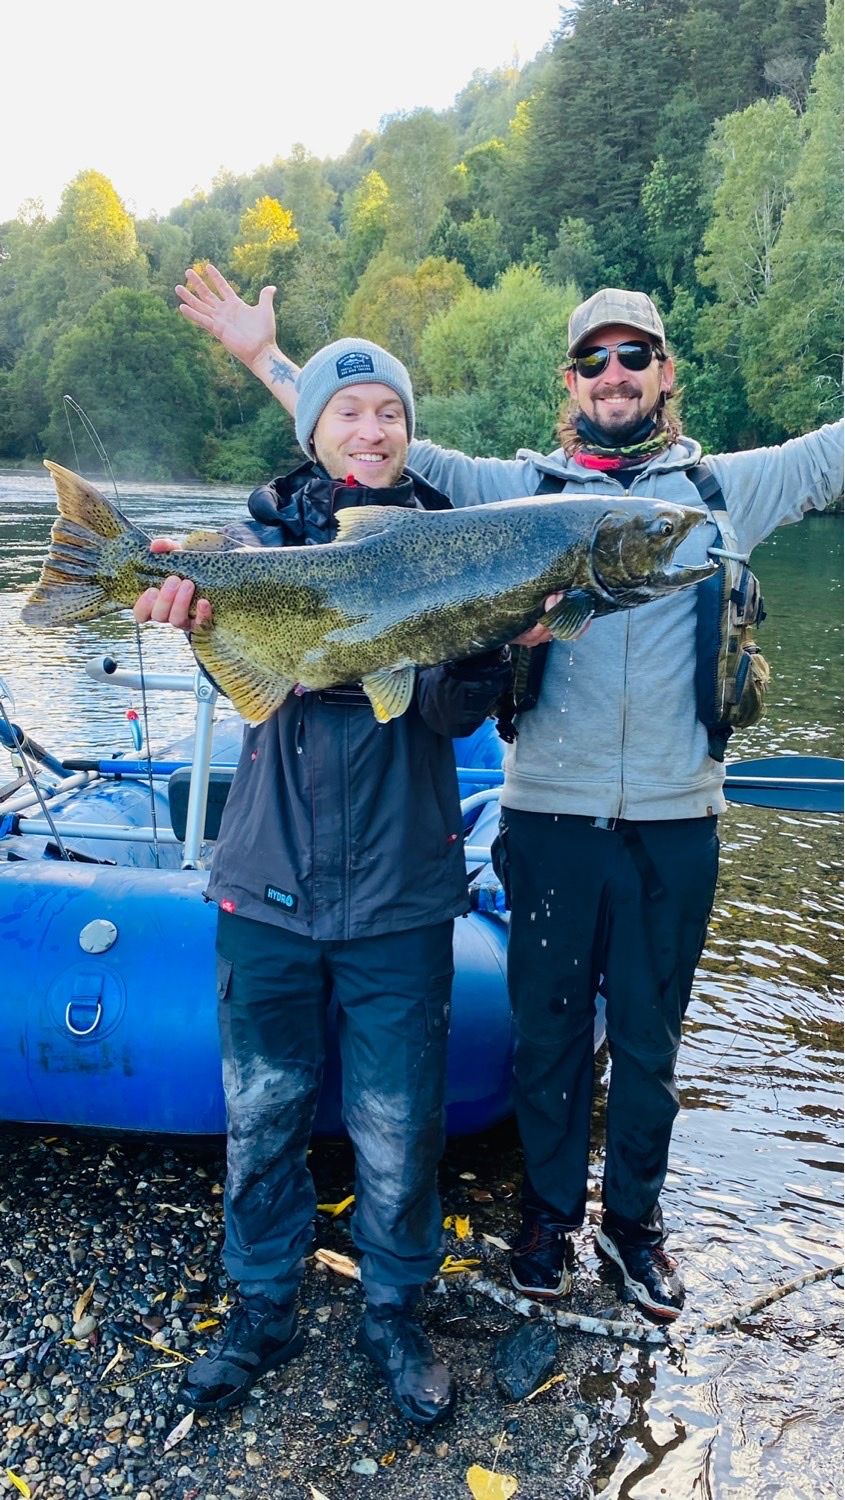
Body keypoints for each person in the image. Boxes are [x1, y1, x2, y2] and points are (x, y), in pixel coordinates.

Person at [174, 269, 844, 1321]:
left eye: (633, 356)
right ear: (569, 381)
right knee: (543, 1037)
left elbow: (827, 452)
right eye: (593, 359)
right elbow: (368, 438)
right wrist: (264, 356)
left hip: (679, 819)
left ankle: (633, 1229)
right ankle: (543, 1218)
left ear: (663, 374)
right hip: (545, 813)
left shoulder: (725, 493)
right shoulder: (514, 489)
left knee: (651, 1045)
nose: (614, 374)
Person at [134, 336, 511, 1422]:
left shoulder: (456, 544)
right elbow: (234, 642)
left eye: (387, 410)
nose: (370, 428)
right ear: (312, 431)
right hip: (266, 881)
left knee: (400, 1122)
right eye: (345, 411)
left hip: (402, 887)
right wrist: (174, 598)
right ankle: (261, 1305)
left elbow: (445, 712)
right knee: (260, 1115)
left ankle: (393, 1309)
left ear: (407, 427)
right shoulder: (254, 541)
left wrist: (489, 647)